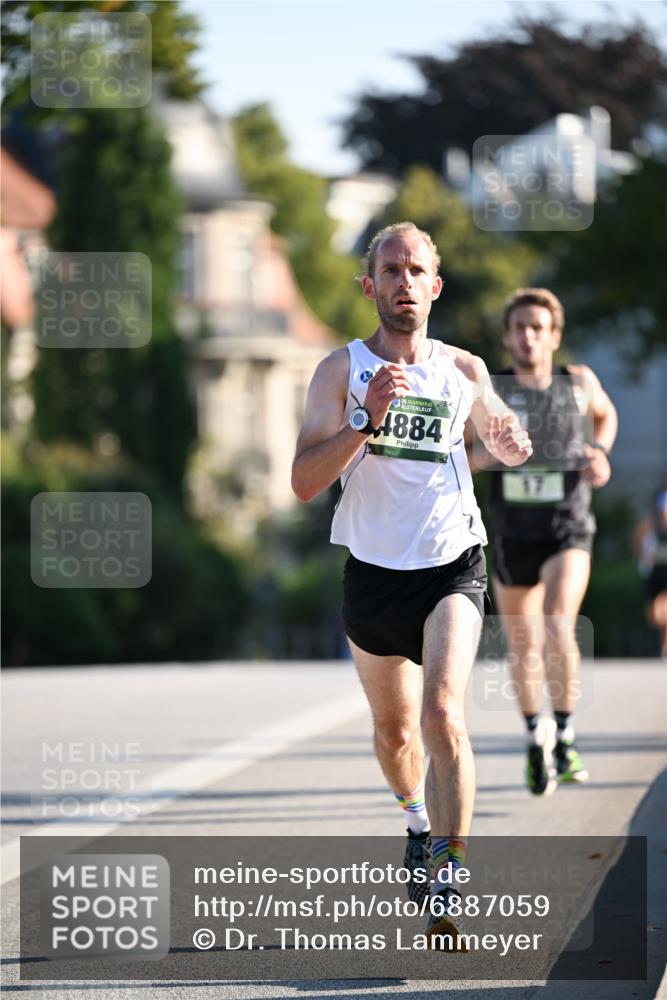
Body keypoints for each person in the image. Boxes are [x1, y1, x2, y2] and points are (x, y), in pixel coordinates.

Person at [291, 222, 532, 945]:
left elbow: (499, 434)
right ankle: (415, 818)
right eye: (388, 270)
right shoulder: (340, 370)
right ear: (369, 286)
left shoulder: (464, 368)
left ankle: (449, 872)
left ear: (434, 284)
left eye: (414, 269)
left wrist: (509, 439)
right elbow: (304, 482)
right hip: (372, 573)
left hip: (451, 562)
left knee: (441, 715)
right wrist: (366, 421)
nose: (402, 281)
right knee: (396, 733)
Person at [471, 288, 617, 796]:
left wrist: (600, 451)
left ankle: (567, 734)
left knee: (557, 624)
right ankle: (537, 736)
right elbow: (465, 456)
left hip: (566, 528)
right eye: (519, 327)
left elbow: (606, 414)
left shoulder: (578, 382)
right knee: (523, 643)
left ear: (554, 335)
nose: (528, 336)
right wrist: (491, 452)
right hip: (513, 535)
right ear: (508, 336)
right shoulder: (490, 389)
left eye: (538, 327)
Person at [634, 487, 667, 658]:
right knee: (654, 615)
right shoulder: (648, 526)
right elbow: (637, 545)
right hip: (653, 573)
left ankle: (664, 648)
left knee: (664, 604)